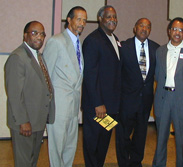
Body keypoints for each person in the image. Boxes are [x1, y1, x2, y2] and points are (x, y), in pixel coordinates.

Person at [4, 21, 55, 167]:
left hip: (37, 121)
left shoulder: (38, 56)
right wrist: (22, 121)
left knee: (32, 161)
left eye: (42, 34)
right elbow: (14, 94)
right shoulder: (18, 57)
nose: (39, 37)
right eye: (34, 33)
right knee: (24, 163)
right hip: (25, 123)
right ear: (25, 35)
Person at [152, 17, 183, 167]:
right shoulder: (160, 51)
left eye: (181, 30)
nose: (177, 32)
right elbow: (157, 75)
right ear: (169, 31)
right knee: (161, 138)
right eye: (175, 29)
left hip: (182, 101)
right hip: (163, 99)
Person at [43, 6, 87, 167]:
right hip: (59, 106)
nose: (82, 23)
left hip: (73, 105)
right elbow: (45, 76)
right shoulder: (56, 41)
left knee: (70, 146)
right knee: (57, 147)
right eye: (78, 19)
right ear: (69, 20)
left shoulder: (78, 42)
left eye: (84, 20)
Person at [116, 18, 160, 167]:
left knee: (141, 135)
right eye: (141, 25)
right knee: (122, 135)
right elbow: (117, 74)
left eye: (148, 26)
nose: (144, 29)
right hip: (126, 101)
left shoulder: (156, 48)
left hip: (145, 101)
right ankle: (123, 162)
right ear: (135, 28)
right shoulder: (123, 46)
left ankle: (135, 162)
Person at [81, 5, 121, 167]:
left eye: (114, 17)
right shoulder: (93, 40)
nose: (112, 20)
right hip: (97, 107)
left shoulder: (114, 39)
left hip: (110, 106)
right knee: (93, 143)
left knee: (103, 142)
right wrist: (98, 103)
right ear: (100, 19)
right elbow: (90, 75)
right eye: (108, 17)